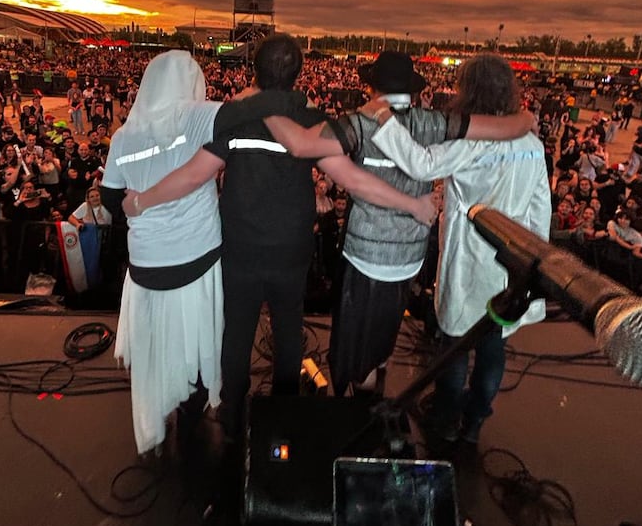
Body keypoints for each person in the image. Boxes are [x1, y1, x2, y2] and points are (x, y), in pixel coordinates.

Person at [122, 36, 440, 439]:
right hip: (291, 247)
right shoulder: (311, 121)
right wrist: (411, 204)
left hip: (241, 246)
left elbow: (192, 175)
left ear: (254, 70)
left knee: (236, 330)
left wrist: (140, 202)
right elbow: (353, 179)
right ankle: (284, 411)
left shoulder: (235, 118)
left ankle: (233, 415)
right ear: (298, 74)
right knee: (288, 327)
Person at [264, 50, 535, 398]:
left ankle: (363, 415)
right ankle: (377, 389)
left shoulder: (359, 123)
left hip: (367, 256)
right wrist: (526, 118)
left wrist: (259, 106)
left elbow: (301, 145)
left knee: (357, 348)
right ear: (412, 88)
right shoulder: (436, 122)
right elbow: (506, 127)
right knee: (385, 335)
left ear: (372, 86)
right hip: (410, 256)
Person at [364, 53, 551, 443]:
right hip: (510, 263)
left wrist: (382, 119)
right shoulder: (532, 144)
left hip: (470, 258)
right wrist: (535, 266)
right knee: (492, 343)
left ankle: (447, 420)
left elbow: (421, 164)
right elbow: (539, 207)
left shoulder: (474, 140)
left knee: (455, 344)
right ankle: (475, 422)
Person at [99, 51, 226, 455]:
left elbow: (108, 197)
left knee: (155, 344)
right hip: (196, 253)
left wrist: (141, 200)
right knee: (197, 338)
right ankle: (192, 414)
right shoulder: (201, 116)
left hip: (147, 260)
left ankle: (158, 415)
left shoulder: (124, 135)